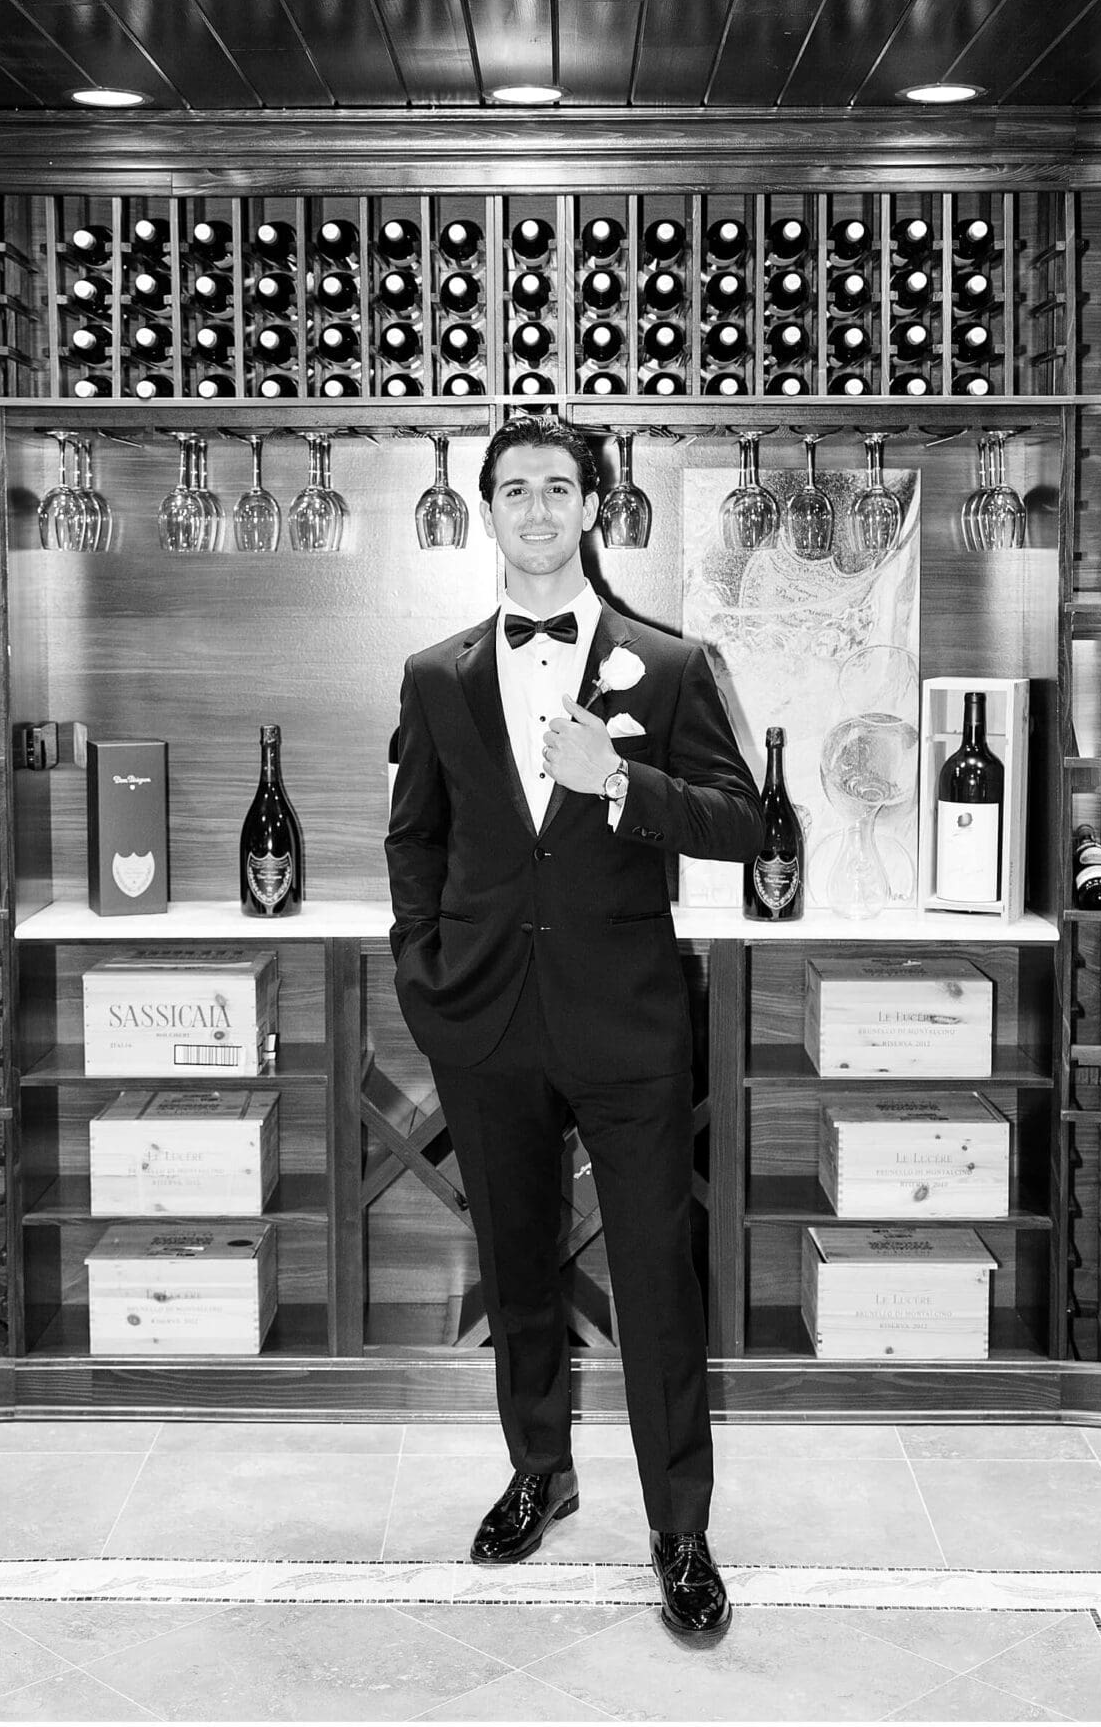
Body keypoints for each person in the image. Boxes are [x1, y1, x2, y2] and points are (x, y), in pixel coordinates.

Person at [384, 412, 759, 1639]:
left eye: (557, 487)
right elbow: (416, 839)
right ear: (487, 512)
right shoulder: (436, 675)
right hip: (484, 1018)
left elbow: (738, 822)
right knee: (517, 1265)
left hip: (626, 1018)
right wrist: (423, 976)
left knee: (655, 1275)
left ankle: (679, 1529)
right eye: (513, 490)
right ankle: (538, 1469)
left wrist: (622, 781)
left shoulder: (671, 663)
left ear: (592, 505)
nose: (535, 509)